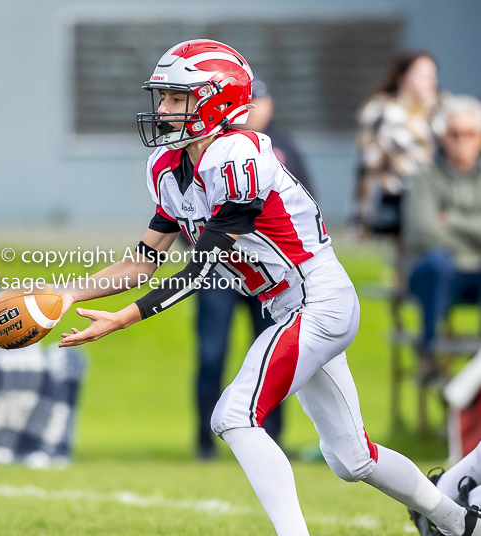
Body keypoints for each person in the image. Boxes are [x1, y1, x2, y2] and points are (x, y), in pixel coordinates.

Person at [57, 39, 481, 535]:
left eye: (176, 98)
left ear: (215, 100)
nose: (165, 110)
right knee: (351, 459)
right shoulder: (171, 169)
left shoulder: (239, 153)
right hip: (291, 308)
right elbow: (143, 261)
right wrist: (68, 294)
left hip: (318, 301)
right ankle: (458, 522)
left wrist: (123, 318)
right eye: (164, 98)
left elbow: (201, 268)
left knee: (234, 415)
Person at [193, 78, 316, 458]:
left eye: (261, 100)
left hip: (270, 271)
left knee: (274, 353)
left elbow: (307, 203)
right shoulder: (211, 147)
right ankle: (205, 441)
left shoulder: (281, 146)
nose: (256, 108)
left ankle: (272, 438)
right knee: (212, 351)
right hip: (219, 265)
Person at [402, 95, 481, 384]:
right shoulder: (425, 177)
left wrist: (452, 219)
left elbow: (439, 227)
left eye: (470, 133)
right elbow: (423, 231)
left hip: (476, 273)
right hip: (436, 271)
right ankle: (428, 352)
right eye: (454, 133)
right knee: (437, 263)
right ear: (442, 137)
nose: (462, 140)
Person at [355, 51, 439, 237]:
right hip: (393, 202)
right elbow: (370, 165)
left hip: (430, 201)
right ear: (402, 78)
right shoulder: (384, 111)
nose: (431, 82)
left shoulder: (436, 113)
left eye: (433, 76)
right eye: (423, 76)